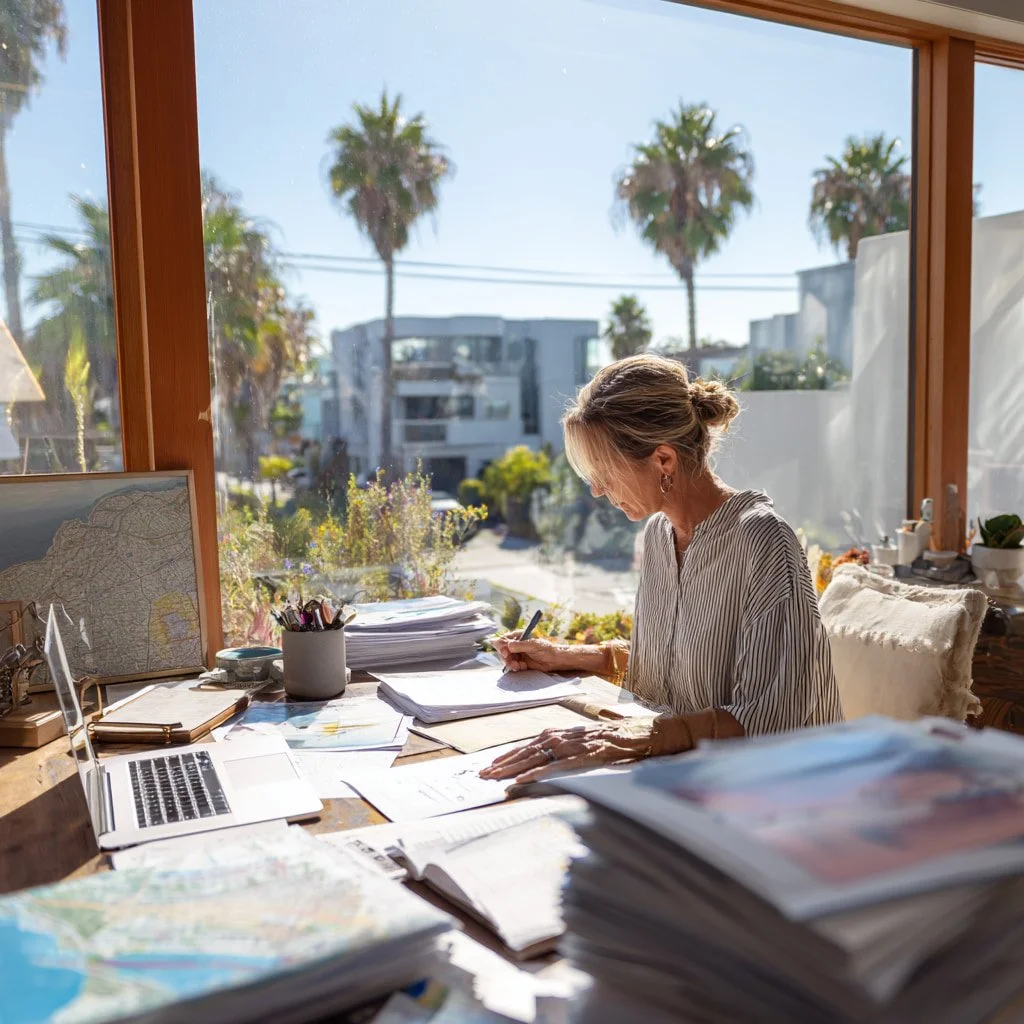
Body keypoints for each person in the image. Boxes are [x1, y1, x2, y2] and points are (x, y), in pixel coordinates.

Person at [480, 354, 842, 786]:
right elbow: (682, 665)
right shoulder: (658, 535)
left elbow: (772, 718)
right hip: (682, 780)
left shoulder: (763, 540)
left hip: (777, 794)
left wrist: (634, 737)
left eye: (605, 471)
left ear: (664, 461)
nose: (596, 489)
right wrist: (567, 656)